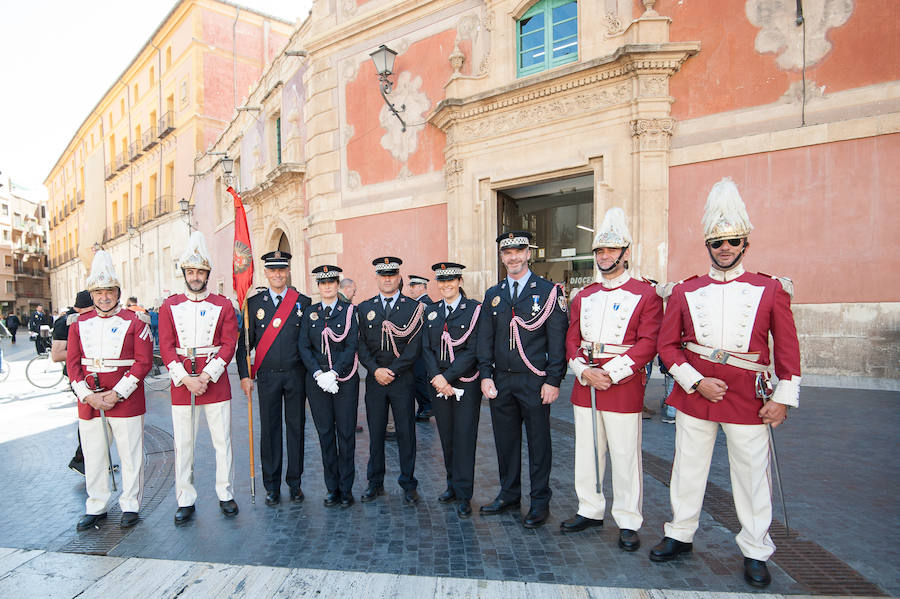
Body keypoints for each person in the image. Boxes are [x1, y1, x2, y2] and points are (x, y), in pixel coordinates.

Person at [648, 177, 801, 589]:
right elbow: (668, 346)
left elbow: (787, 349)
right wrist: (696, 382)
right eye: (718, 243)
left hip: (748, 399)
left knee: (752, 477)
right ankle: (680, 533)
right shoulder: (685, 290)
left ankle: (755, 549)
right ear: (708, 246)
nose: (726, 248)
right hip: (697, 396)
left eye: (733, 241)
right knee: (687, 469)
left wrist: (783, 398)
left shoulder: (770, 289)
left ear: (745, 243)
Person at [562, 208, 663, 552]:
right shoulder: (584, 295)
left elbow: (648, 342)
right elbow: (571, 338)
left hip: (622, 384)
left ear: (625, 254)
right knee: (587, 453)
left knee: (624, 456)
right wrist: (583, 370)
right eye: (600, 252)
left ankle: (628, 519)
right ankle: (589, 509)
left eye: (611, 251)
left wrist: (613, 372)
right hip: (587, 381)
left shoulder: (645, 294)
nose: (604, 257)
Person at [476, 231, 568, 529]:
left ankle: (540, 501)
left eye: (518, 251)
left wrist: (554, 380)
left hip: (535, 380)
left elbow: (557, 341)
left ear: (529, 253)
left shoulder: (549, 291)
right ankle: (509, 494)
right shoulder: (494, 294)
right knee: (505, 442)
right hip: (501, 381)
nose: (513, 257)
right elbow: (485, 339)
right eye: (507, 253)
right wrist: (485, 375)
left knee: (539, 443)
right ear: (501, 257)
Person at [66, 250, 153, 531]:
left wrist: (117, 393)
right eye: (99, 292)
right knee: (94, 456)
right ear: (91, 295)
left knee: (131, 456)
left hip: (125, 400)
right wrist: (88, 395)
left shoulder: (135, 321)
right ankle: (97, 505)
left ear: (117, 292)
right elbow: (73, 364)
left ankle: (131, 505)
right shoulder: (78, 324)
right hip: (90, 399)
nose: (104, 297)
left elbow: (143, 362)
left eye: (109, 291)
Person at [158, 232, 239, 525]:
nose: (195, 276)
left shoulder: (223, 304)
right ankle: (185, 498)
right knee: (184, 444)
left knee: (222, 441)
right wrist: (185, 378)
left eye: (200, 272)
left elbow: (230, 343)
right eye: (190, 271)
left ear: (207, 274)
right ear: (184, 273)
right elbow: (165, 346)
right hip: (183, 384)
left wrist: (206, 374)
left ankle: (225, 493)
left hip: (214, 380)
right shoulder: (169, 305)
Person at [236, 250, 311, 506]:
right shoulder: (254, 305)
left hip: (295, 376)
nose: (277, 274)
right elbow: (244, 345)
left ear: (288, 271)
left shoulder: (302, 302)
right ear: (266, 273)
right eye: (272, 270)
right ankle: (271, 485)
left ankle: (295, 482)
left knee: (296, 429)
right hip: (267, 377)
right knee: (269, 431)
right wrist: (245, 376)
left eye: (282, 269)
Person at [357, 257, 425, 504]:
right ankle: (374, 483)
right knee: (375, 433)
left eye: (392, 274)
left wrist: (392, 371)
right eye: (383, 275)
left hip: (402, 380)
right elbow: (360, 344)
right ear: (376, 278)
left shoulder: (413, 307)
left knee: (406, 432)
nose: (387, 279)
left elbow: (414, 346)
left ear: (398, 278)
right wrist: (375, 370)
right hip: (375, 381)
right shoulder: (364, 308)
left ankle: (408, 483)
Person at [421, 262, 482, 518]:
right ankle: (452, 486)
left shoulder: (474, 310)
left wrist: (447, 377)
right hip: (439, 385)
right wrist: (437, 377)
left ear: (459, 281)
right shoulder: (432, 312)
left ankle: (465, 494)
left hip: (465, 383)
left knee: (464, 438)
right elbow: (427, 348)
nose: (446, 285)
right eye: (442, 281)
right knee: (446, 436)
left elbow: (473, 350)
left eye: (451, 280)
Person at [298, 265, 360, 508]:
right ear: (318, 286)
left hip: (344, 380)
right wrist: (318, 374)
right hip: (317, 384)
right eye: (322, 283)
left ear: (337, 285)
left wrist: (334, 373)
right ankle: (331, 488)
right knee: (325, 435)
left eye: (331, 282)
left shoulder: (348, 311)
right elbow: (304, 346)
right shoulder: (310, 313)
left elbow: (351, 345)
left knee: (345, 434)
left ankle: (346, 489)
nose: (326, 287)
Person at [51, 290, 94, 476]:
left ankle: (93, 460)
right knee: (88, 419)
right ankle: (81, 460)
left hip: (93, 375)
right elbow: (56, 354)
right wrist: (83, 352)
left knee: (95, 419)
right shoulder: (65, 322)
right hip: (77, 375)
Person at [409, 274, 435, 422]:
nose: (411, 289)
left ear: (421, 287)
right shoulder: (420, 303)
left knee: (420, 378)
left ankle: (427, 406)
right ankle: (423, 407)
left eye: (413, 286)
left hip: (421, 349)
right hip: (418, 349)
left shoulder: (425, 304)